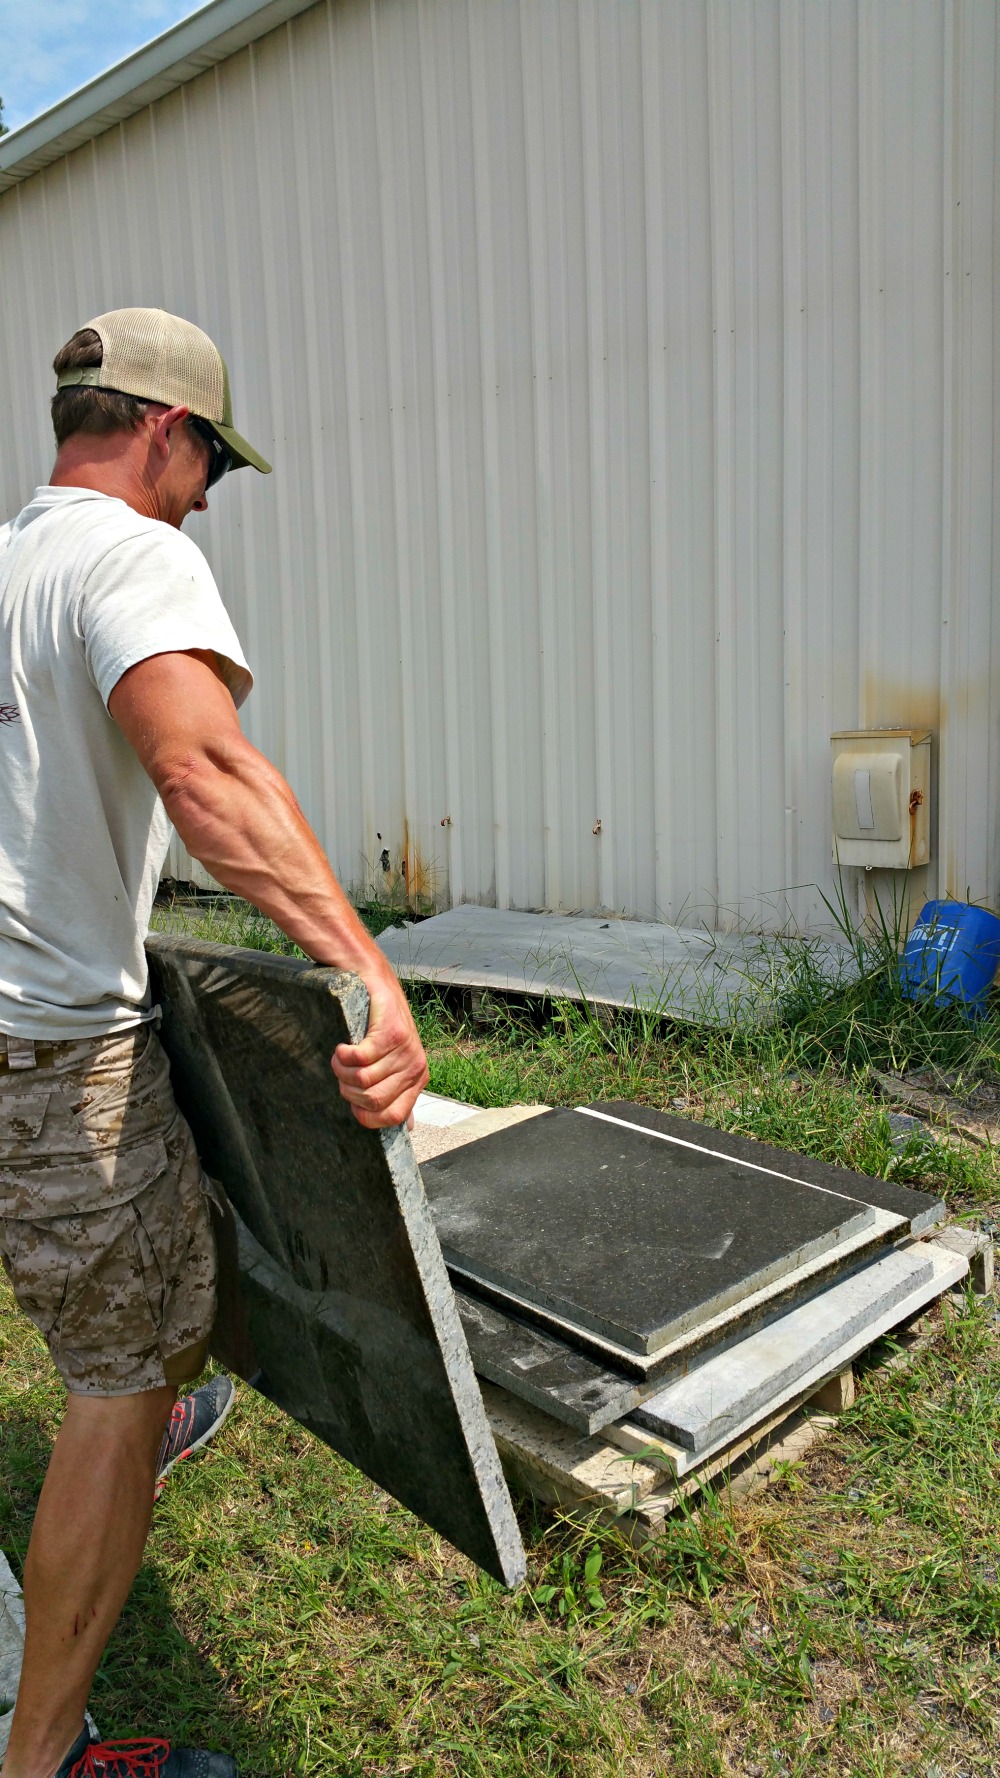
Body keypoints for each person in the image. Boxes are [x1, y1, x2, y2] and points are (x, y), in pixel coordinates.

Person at [0, 309, 429, 1778]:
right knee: (112, 1383)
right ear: (165, 432)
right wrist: (364, 968)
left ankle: (165, 1398)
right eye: (209, 471)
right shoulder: (134, 554)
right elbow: (202, 765)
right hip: (47, 1054)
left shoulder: (7, 565)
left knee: (154, 1269)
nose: (205, 503)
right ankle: (44, 1757)